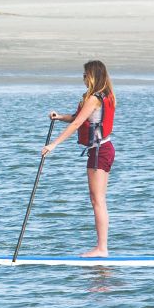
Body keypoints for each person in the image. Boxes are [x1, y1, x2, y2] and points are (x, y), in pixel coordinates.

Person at [42, 60, 116, 257]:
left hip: (99, 151)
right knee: (98, 199)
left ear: (92, 76)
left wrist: (53, 145)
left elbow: (76, 124)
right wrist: (59, 117)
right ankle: (102, 247)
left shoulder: (94, 98)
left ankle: (101, 249)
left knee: (97, 200)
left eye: (85, 75)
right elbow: (78, 117)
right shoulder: (105, 95)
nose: (83, 79)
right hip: (104, 149)